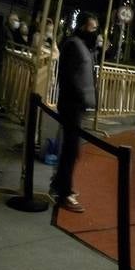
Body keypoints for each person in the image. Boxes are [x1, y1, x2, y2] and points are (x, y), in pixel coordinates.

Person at [51, 13, 98, 212]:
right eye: (91, 28)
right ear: (81, 27)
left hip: (76, 104)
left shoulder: (83, 47)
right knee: (70, 150)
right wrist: (80, 96)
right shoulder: (73, 45)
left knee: (71, 149)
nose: (94, 33)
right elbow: (70, 76)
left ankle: (59, 184)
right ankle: (65, 192)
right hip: (71, 104)